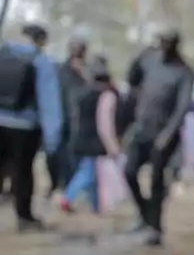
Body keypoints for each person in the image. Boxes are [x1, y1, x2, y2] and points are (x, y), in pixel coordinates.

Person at [124, 28, 194, 246]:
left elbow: (182, 108)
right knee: (129, 172)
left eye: (168, 43)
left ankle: (155, 227)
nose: (164, 47)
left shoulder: (184, 73)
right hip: (142, 128)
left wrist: (167, 134)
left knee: (156, 179)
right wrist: (139, 56)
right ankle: (145, 214)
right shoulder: (150, 61)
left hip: (164, 133)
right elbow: (132, 79)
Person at [0, 24, 63, 232]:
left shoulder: (3, 52)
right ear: (41, 40)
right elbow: (49, 102)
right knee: (22, 171)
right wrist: (53, 137)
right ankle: (24, 217)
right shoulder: (41, 61)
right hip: (25, 127)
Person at [60, 59, 122, 214]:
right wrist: (112, 146)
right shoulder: (106, 96)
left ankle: (96, 206)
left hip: (80, 138)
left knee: (94, 176)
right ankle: (67, 197)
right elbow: (105, 124)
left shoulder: (82, 93)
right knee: (88, 173)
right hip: (95, 141)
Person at [49, 32, 90, 197]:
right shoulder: (60, 69)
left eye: (80, 49)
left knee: (73, 156)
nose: (76, 52)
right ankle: (55, 183)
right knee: (53, 155)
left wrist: (83, 72)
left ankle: (68, 186)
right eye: (74, 48)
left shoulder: (87, 71)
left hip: (79, 121)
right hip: (59, 117)